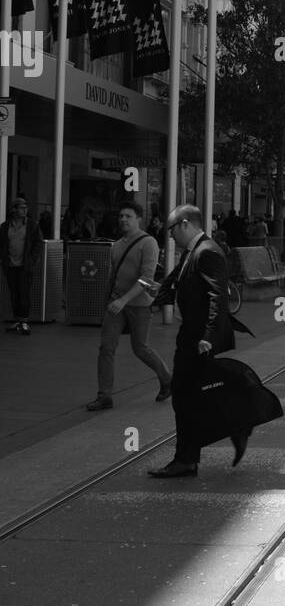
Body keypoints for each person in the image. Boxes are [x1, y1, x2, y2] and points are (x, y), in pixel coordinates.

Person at [146, 204, 254, 478]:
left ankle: (189, 457)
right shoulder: (194, 251)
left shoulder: (207, 252)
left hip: (199, 338)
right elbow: (178, 281)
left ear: (184, 224)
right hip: (192, 334)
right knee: (194, 395)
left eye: (171, 230)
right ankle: (224, 433)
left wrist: (207, 337)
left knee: (184, 395)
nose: (169, 236)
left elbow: (217, 297)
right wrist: (160, 295)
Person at [85, 203, 172, 411]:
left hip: (139, 305)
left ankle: (167, 379)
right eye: (121, 215)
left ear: (139, 219)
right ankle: (104, 395)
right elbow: (113, 276)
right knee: (106, 347)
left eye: (128, 216)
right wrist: (108, 302)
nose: (123, 219)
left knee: (140, 348)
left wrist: (123, 300)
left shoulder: (148, 242)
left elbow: (146, 279)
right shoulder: (117, 245)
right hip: (115, 304)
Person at [0, 198, 42, 335]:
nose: (25, 210)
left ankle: (24, 322)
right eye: (21, 208)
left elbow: (38, 244)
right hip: (10, 265)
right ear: (14, 210)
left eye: (26, 207)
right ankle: (17, 320)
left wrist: (32, 260)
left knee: (24, 294)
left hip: (25, 266)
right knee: (14, 294)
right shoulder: (5, 226)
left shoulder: (32, 225)